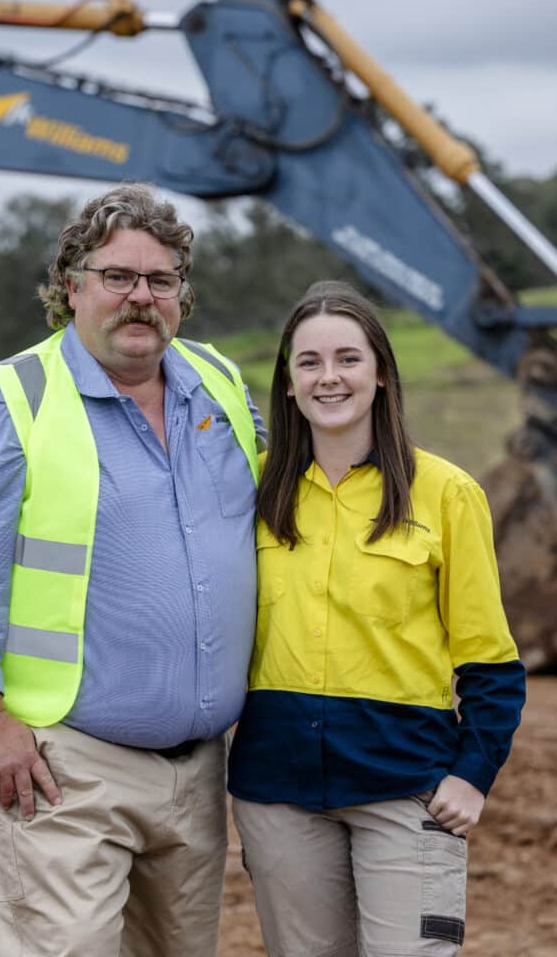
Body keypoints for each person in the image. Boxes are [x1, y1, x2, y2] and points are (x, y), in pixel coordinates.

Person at [0, 183, 265, 957]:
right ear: (71, 289)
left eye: (160, 279)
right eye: (118, 277)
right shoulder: (2, 404)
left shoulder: (221, 386)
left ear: (182, 294)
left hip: (199, 773)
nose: (141, 297)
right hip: (61, 769)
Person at [228, 281, 525, 957]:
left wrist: (472, 774)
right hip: (276, 791)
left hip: (404, 787)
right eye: (308, 362)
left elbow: (490, 660)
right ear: (288, 381)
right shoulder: (250, 488)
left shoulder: (445, 493)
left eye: (347, 359)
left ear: (381, 374)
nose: (328, 377)